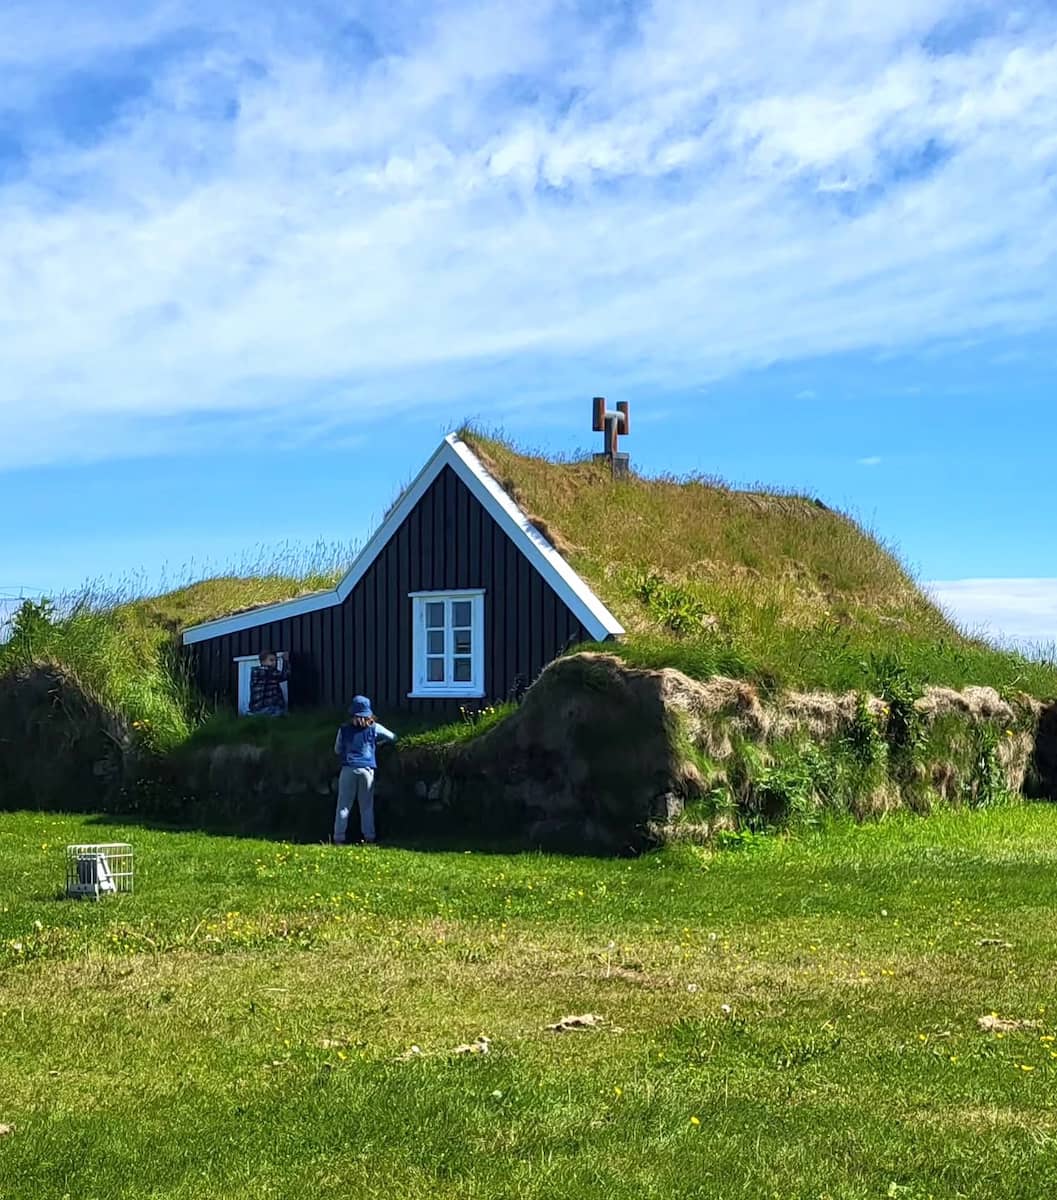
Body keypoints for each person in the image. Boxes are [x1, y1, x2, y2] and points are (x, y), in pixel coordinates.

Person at [333, 696, 397, 845]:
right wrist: (378, 743)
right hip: (367, 770)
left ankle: (338, 838)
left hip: (348, 768)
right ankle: (369, 837)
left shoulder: (343, 729)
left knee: (343, 805)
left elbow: (337, 750)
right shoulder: (374, 727)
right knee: (366, 806)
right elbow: (393, 737)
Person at [248, 651, 290, 717]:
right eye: (271, 660)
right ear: (262, 662)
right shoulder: (265, 671)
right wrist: (285, 661)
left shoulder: (257, 671)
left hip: (257, 707)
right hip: (266, 707)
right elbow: (284, 676)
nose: (274, 662)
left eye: (275, 660)